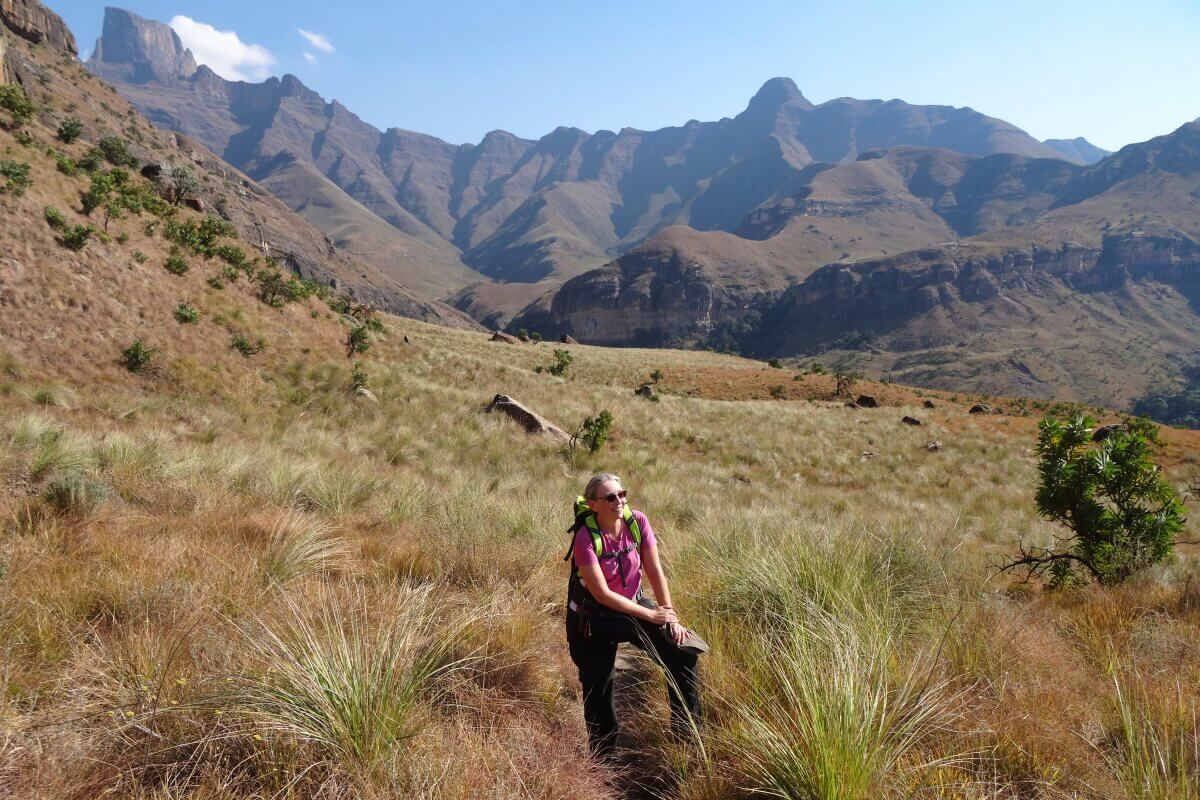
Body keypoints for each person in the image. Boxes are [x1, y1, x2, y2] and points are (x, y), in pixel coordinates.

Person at [564, 472, 702, 760]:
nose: (619, 500)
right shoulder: (585, 537)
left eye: (622, 494)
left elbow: (654, 570)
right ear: (593, 504)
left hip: (634, 604)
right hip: (593, 617)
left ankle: (687, 741)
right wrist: (650, 614)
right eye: (610, 497)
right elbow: (601, 593)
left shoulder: (636, 521)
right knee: (598, 684)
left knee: (683, 652)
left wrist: (669, 615)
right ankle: (604, 760)